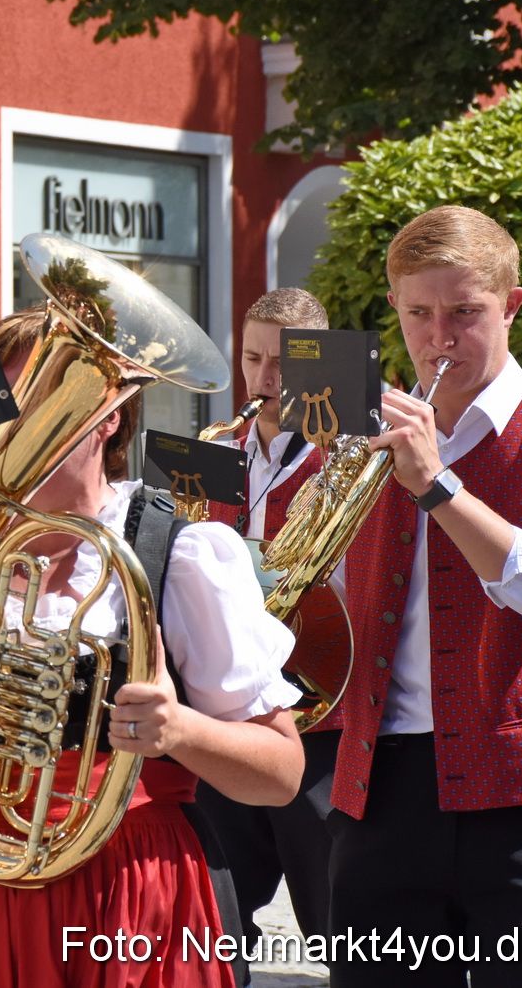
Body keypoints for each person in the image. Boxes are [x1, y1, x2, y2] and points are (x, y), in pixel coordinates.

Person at [0, 307, 304, 988]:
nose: (7, 429)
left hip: (121, 893)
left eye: (39, 401)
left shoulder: (182, 553)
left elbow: (281, 771)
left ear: (107, 417)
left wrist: (179, 730)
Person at [324, 206, 522, 988]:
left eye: (464, 312)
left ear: (512, 305)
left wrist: (438, 486)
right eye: (418, 314)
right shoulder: (359, 441)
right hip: (380, 790)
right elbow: (333, 604)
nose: (439, 339)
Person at [194, 288, 340, 958]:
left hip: (321, 713)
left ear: (321, 363)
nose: (264, 377)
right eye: (252, 358)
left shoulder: (348, 455)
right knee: (214, 916)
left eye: (283, 361)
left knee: (338, 924)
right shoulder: (213, 447)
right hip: (227, 714)